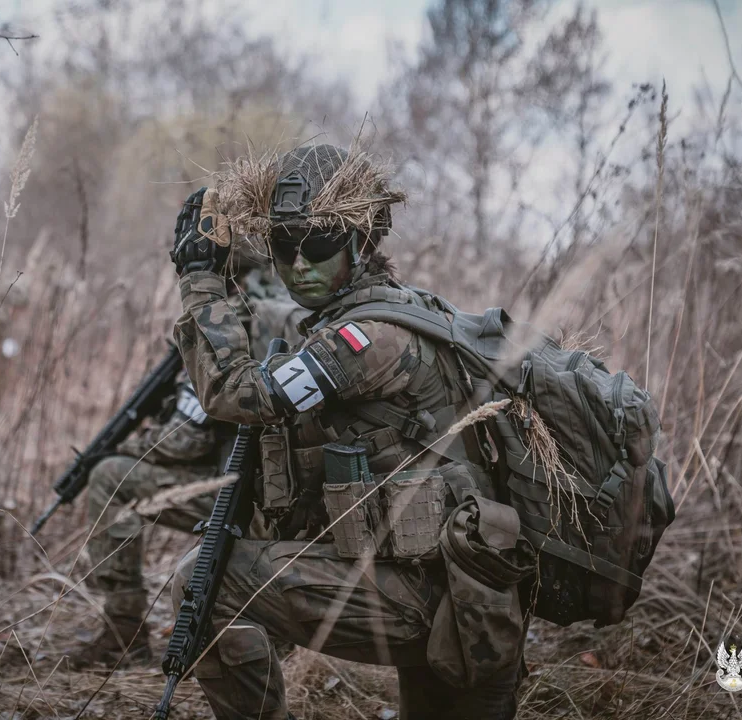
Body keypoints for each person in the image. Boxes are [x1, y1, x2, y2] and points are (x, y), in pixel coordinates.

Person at [167, 144, 529, 719]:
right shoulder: (379, 312)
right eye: (283, 246)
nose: (299, 264)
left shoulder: (368, 340)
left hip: (447, 609)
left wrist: (200, 282)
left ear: (362, 242)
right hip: (444, 593)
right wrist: (233, 272)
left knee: (207, 581)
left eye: (318, 246)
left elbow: (238, 394)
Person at [71, 262, 307, 667]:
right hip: (301, 498)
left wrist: (126, 449)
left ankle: (123, 634)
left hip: (253, 502)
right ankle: (272, 641)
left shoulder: (231, 322)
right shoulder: (292, 306)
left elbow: (185, 439)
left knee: (110, 477)